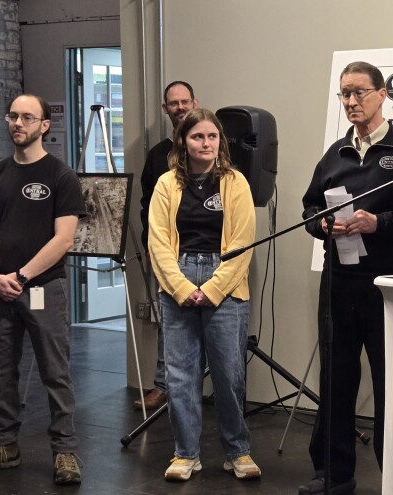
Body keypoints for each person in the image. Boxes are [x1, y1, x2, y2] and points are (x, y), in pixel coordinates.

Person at [299, 61, 393, 495]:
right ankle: (333, 474)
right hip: (339, 282)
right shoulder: (334, 155)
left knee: (390, 380)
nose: (350, 102)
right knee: (336, 379)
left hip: (389, 284)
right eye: (344, 94)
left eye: (359, 92)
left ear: (383, 95)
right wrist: (322, 225)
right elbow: (309, 209)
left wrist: (377, 223)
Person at [0, 94, 87, 485]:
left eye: (27, 117)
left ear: (44, 126)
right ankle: (5, 446)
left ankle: (65, 451)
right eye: (13, 116)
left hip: (41, 289)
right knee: (0, 372)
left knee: (55, 371)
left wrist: (21, 276)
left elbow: (63, 239)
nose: (18, 123)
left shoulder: (61, 176)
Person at [148, 108, 261, 482]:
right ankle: (185, 454)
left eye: (212, 137)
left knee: (229, 373)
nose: (206, 143)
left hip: (224, 281)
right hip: (177, 276)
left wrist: (212, 289)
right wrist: (181, 287)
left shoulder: (236, 182)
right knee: (181, 375)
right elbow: (158, 242)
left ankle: (237, 451)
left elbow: (243, 243)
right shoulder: (167, 184)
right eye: (198, 137)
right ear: (184, 141)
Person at [136, 80, 199, 410]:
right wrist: (150, 241)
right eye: (173, 103)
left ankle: (200, 385)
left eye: (184, 101)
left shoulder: (209, 149)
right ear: (165, 109)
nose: (179, 108)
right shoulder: (159, 155)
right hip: (167, 252)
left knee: (211, 321)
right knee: (169, 320)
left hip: (207, 252)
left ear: (194, 102)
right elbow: (146, 204)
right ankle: (164, 385)